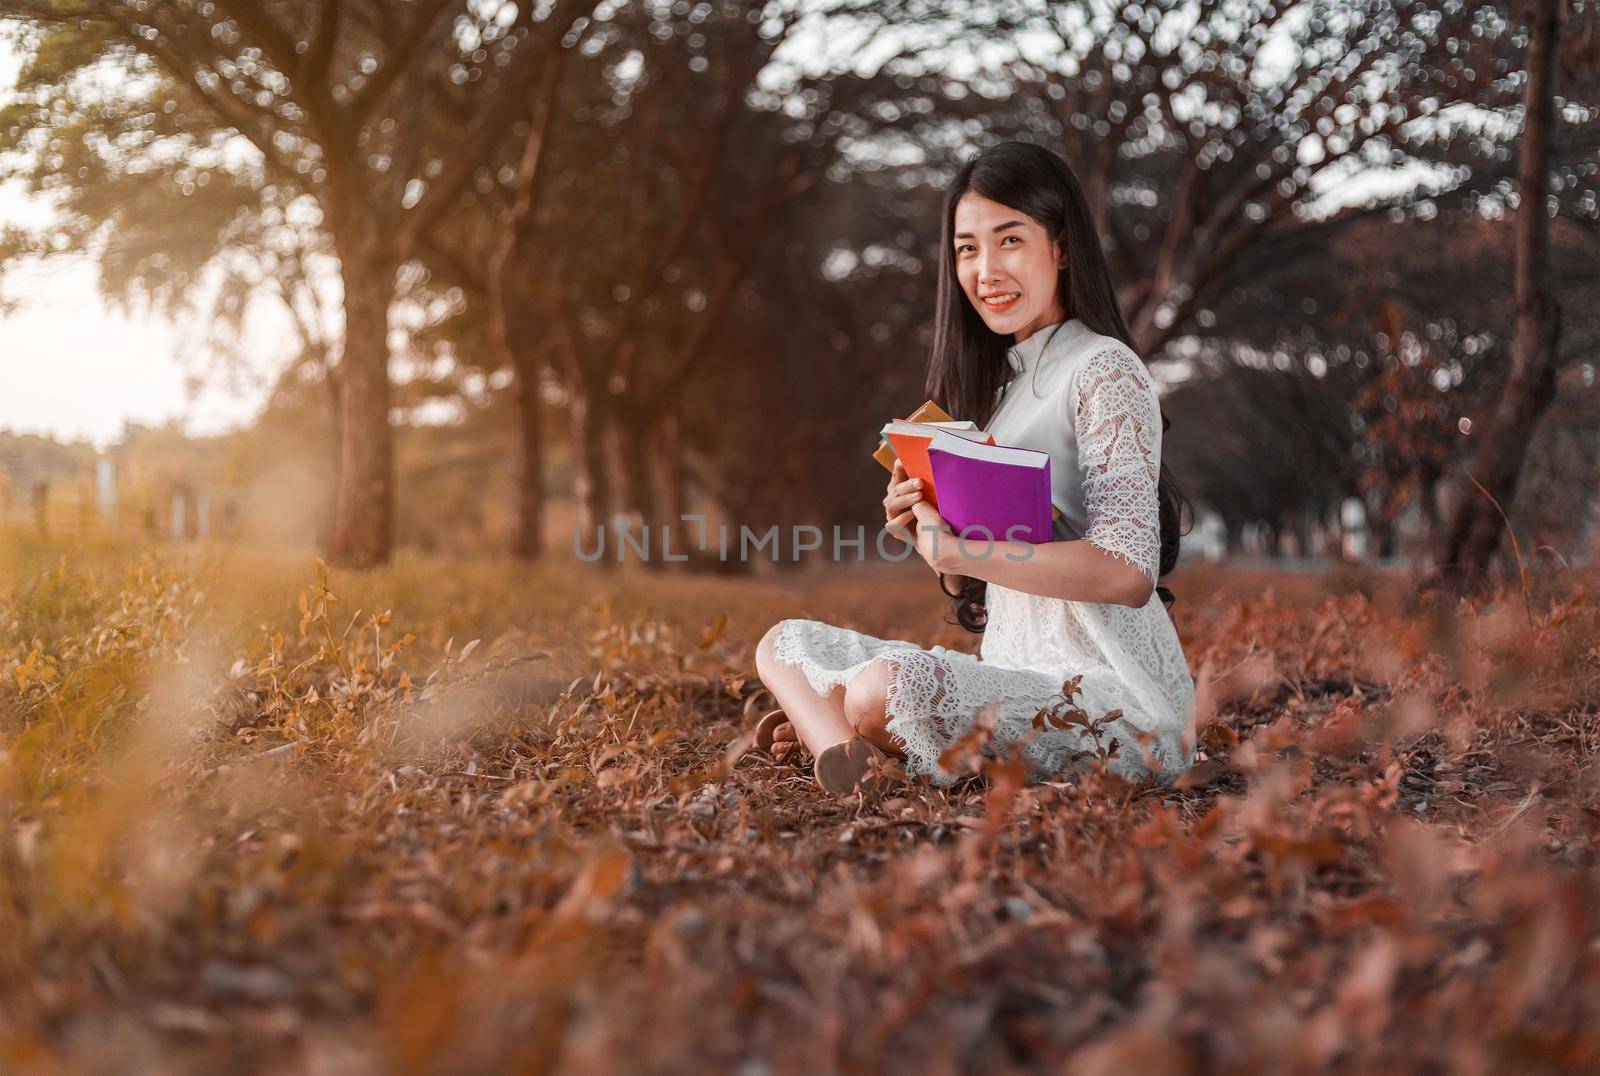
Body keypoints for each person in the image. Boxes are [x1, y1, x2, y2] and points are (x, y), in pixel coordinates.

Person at [752, 141, 1196, 797]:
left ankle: (842, 731)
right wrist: (927, 535)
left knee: (881, 688)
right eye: (966, 248)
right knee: (784, 644)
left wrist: (958, 545)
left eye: (1008, 240)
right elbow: (982, 578)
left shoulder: (1104, 370)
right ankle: (847, 752)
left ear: (1063, 246)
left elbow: (1128, 574)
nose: (985, 269)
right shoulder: (998, 392)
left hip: (1113, 697)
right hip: (1011, 671)